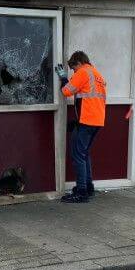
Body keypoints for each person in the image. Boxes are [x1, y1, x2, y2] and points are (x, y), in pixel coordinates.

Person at [58, 50, 107, 203]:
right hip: (97, 120)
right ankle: (88, 187)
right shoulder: (97, 74)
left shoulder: (83, 72)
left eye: (73, 68)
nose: (74, 71)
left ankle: (81, 192)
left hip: (86, 121)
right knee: (84, 154)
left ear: (78, 62)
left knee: (78, 155)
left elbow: (66, 91)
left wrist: (63, 78)